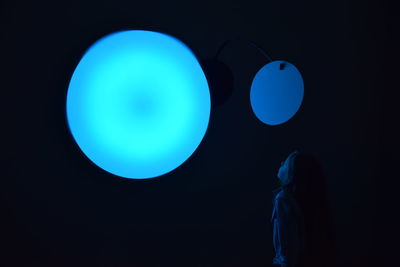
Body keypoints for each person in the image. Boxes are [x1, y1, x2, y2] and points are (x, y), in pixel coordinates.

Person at [271, 151, 336, 267]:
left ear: (293, 172)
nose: (281, 163)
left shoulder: (283, 199)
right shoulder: (313, 200)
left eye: (285, 163)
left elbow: (287, 251)